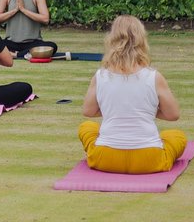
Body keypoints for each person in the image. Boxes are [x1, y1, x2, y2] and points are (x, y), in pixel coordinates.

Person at [78, 15, 187, 174]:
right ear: (142, 40)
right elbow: (173, 115)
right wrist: (145, 110)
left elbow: (88, 111)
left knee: (86, 127)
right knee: (177, 136)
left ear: (111, 39)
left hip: (105, 158)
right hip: (149, 159)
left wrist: (116, 109)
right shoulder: (154, 76)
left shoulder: (100, 76)